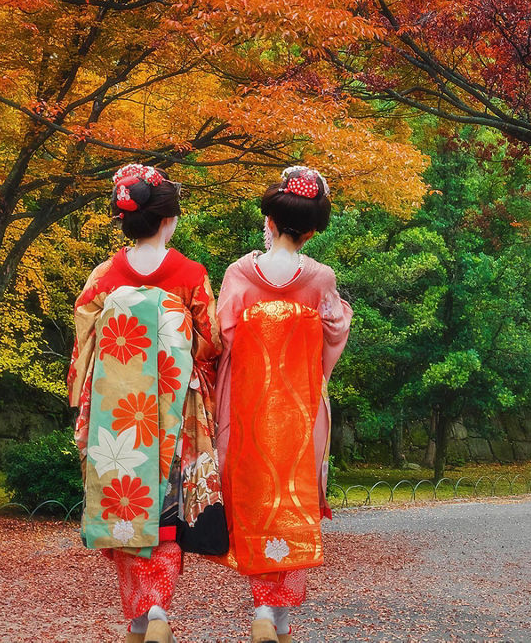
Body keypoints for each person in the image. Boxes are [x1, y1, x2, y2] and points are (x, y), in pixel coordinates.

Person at [67, 164, 221, 643]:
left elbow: (86, 335)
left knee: (123, 508)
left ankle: (139, 616)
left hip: (117, 412)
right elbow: (211, 341)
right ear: (169, 220)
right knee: (164, 512)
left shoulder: (106, 275)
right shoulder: (191, 274)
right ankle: (156, 608)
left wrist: (83, 394)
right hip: (173, 408)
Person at [214, 166, 352, 643]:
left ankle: (260, 609)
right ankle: (281, 619)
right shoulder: (320, 277)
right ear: (312, 229)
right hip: (301, 408)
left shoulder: (238, 273)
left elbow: (220, 338)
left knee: (256, 501)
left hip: (247, 409)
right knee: (295, 501)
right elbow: (334, 331)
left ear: (268, 221)